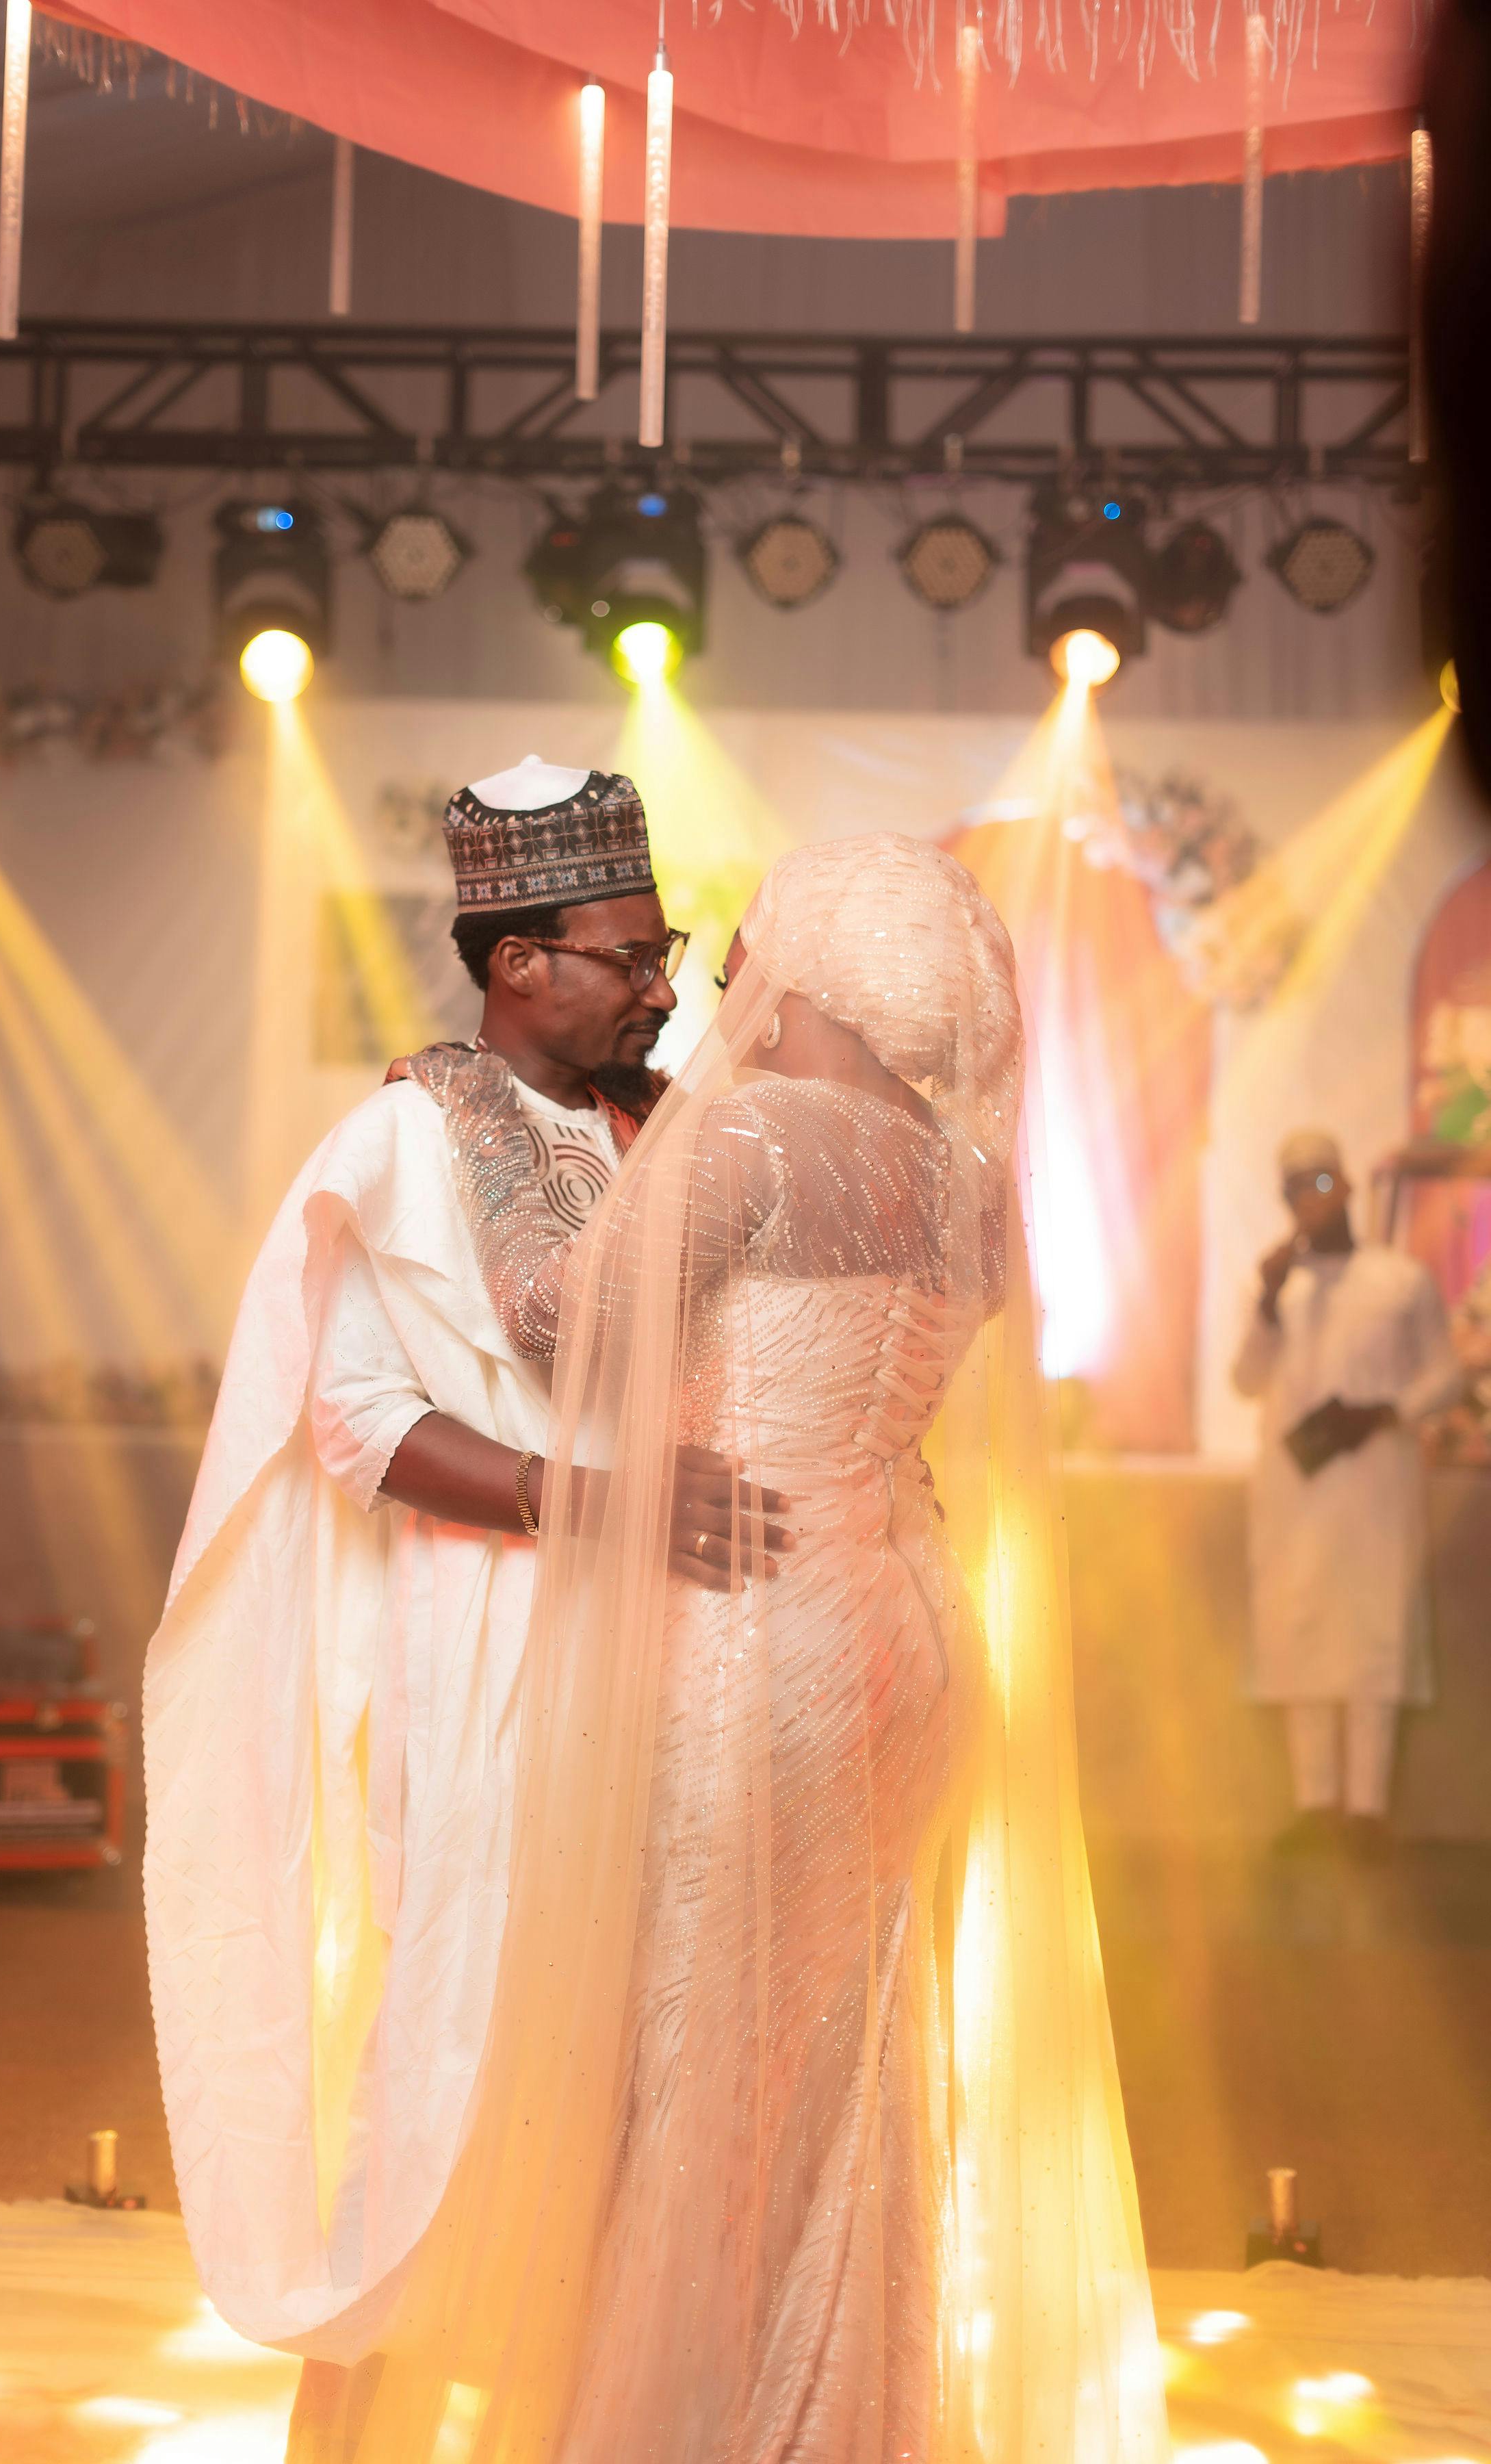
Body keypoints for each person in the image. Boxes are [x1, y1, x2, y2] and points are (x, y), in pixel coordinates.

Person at [289, 834, 1166, 2464]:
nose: (710, 981)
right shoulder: (970, 1178)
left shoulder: (752, 1135)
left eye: (744, 949)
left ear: (808, 980)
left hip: (750, 1621)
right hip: (899, 1629)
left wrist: (478, 1104)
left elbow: (560, 1315)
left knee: (687, 2060)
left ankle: (680, 2429)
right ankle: (823, 2416)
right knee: (834, 2063)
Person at [144, 757, 785, 2363]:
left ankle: (603, 2384)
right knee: (477, 2027)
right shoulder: (405, 1138)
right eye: (628, 956)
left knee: (659, 2031)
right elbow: (356, 1422)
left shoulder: (660, 1125)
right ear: (517, 962)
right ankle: (395, 2383)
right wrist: (586, 1502)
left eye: (661, 952)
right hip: (500, 1620)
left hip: (681, 1628)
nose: (657, 983)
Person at [1232, 1128, 1463, 1855]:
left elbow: (1446, 1375)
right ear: (1286, 1199)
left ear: (1348, 1188)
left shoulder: (1399, 1279)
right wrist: (1268, 1302)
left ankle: (1366, 1813)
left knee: (1371, 1634)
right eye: (1300, 1189)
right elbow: (1245, 1381)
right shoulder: (1272, 1285)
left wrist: (1387, 1412)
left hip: (1374, 1486)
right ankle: (1316, 1808)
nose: (1313, 1200)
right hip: (1295, 1493)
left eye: (1324, 1185)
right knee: (1303, 1631)